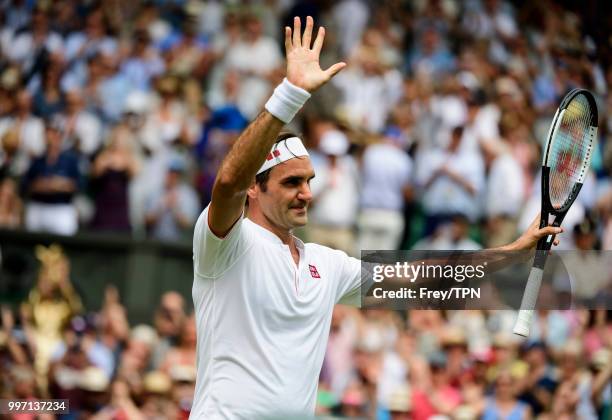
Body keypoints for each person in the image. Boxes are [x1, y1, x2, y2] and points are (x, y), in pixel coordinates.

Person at [191, 16, 562, 419]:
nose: (307, 193)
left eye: (309, 181)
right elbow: (227, 181)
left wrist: (512, 253)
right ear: (254, 188)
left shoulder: (326, 265)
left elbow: (425, 281)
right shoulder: (228, 244)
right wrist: (290, 94)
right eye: (291, 182)